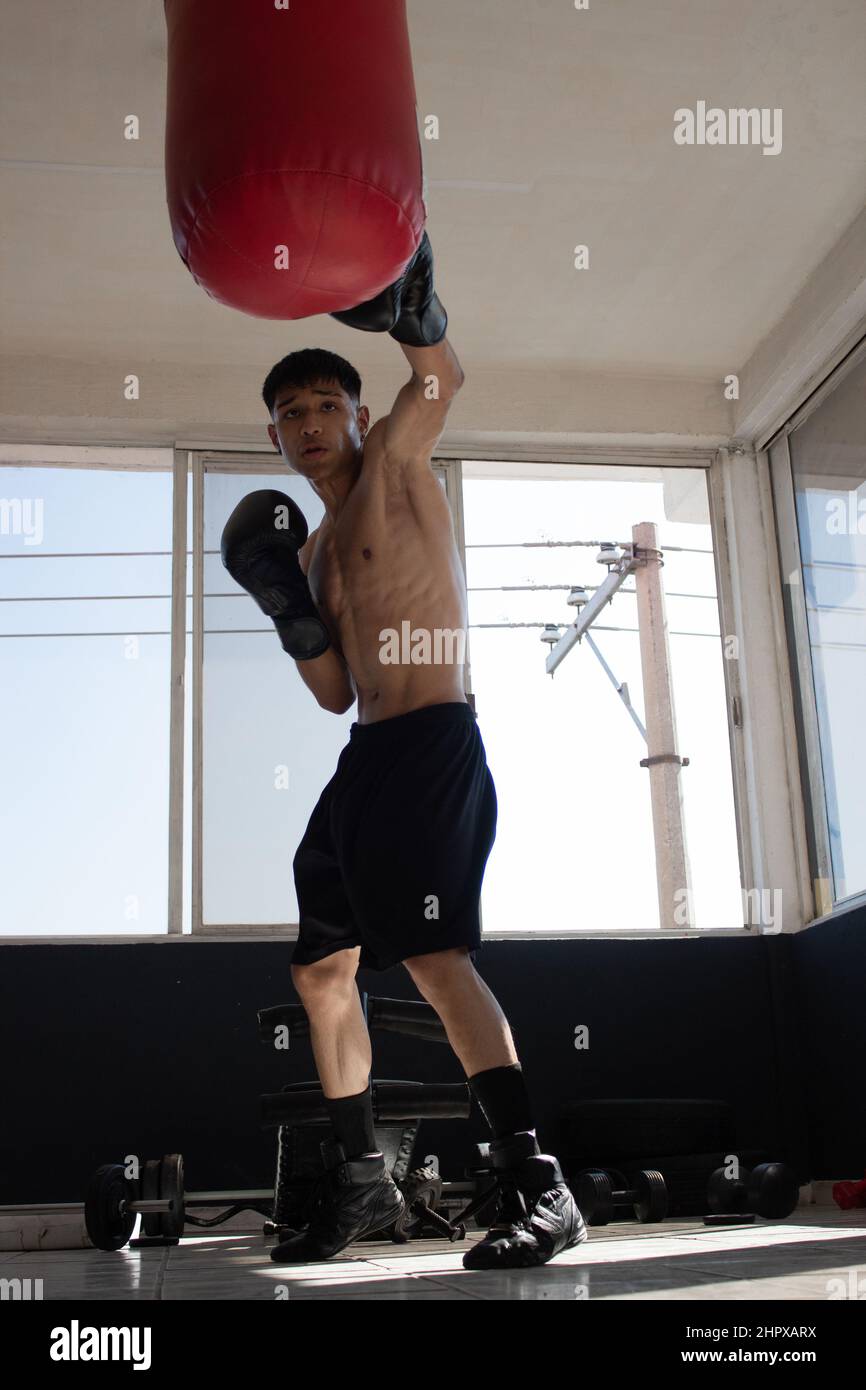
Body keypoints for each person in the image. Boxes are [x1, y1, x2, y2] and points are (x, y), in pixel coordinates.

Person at [221, 235, 586, 1269]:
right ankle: (361, 1183)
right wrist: (287, 609)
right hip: (364, 756)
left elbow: (441, 376)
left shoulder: (397, 464)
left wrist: (416, 310)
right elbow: (335, 687)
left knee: (433, 958)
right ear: (275, 436)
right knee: (320, 969)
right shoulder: (311, 551)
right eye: (289, 415)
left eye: (323, 405)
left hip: (431, 744)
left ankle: (536, 1184)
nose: (307, 425)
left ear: (357, 415)